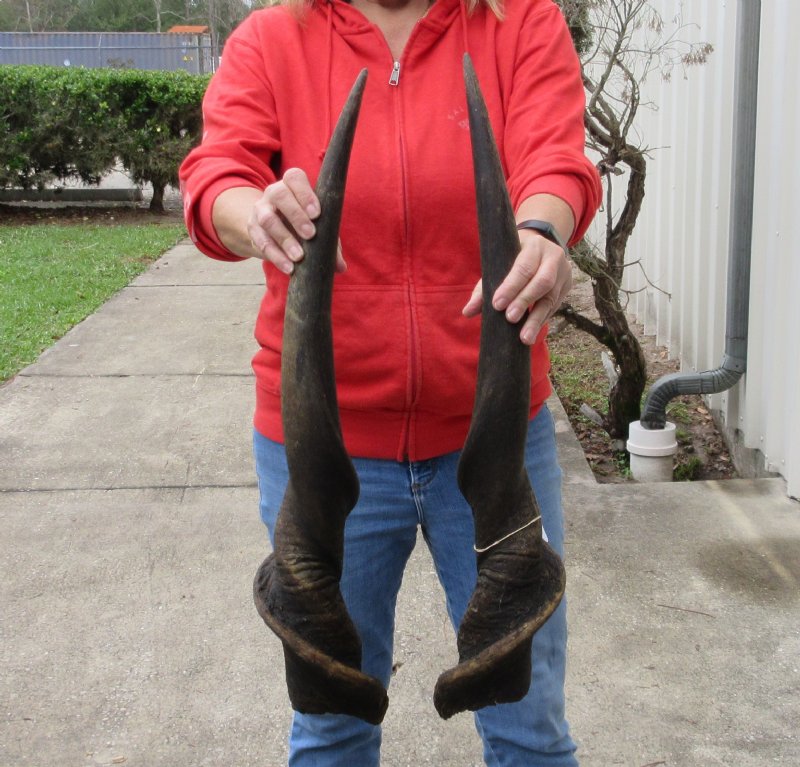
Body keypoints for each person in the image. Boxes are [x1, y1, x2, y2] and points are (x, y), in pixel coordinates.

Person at [179, 0, 601, 763]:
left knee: (529, 725)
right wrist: (256, 213)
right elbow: (216, 175)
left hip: (498, 439)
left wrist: (540, 231)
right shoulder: (274, 39)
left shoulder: (519, 22)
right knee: (331, 721)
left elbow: (553, 159)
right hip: (318, 447)